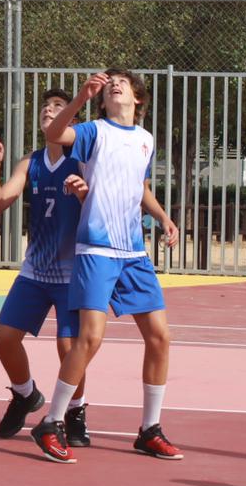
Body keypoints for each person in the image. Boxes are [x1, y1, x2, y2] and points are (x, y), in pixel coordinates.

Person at [31, 68, 178, 464]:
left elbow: (141, 188)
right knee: (90, 339)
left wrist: (163, 217)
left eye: (124, 82)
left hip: (133, 253)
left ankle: (150, 429)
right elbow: (54, 136)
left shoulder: (145, 140)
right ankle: (52, 421)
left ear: (138, 98)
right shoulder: (94, 130)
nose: (116, 84)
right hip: (96, 249)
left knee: (160, 338)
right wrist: (79, 98)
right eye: (111, 82)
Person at [0, 89, 88, 442]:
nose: (49, 110)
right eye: (46, 107)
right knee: (4, 337)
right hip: (36, 270)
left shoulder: (83, 161)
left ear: (71, 121)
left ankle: (75, 412)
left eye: (58, 107)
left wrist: (85, 194)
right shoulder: (30, 162)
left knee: (69, 348)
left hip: (73, 273)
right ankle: (26, 393)